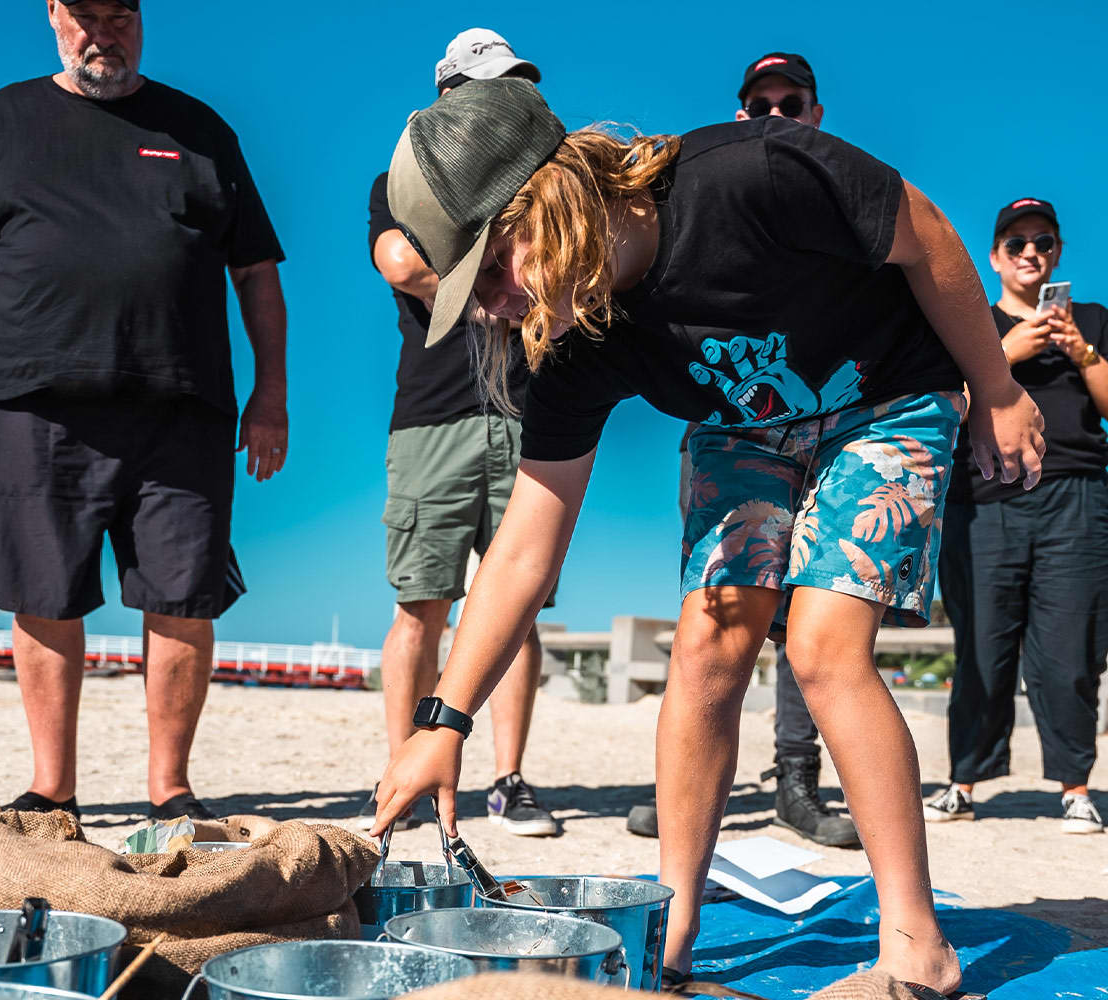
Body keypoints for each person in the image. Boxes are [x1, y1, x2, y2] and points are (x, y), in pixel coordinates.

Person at [372, 79, 1045, 994]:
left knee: (820, 646)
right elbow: (525, 548)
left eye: (493, 272)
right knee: (706, 643)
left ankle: (916, 935)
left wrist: (994, 389)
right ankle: (673, 923)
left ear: (550, 202)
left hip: (890, 396)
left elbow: (924, 234)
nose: (496, 307)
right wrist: (442, 722)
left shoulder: (755, 172)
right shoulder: (572, 346)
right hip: (742, 425)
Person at [0, 0, 286, 825]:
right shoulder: (3, 119)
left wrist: (271, 394)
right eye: (85, 15)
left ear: (141, 18)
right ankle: (54, 787)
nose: (101, 32)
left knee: (183, 597)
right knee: (43, 593)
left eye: (119, 14)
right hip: (39, 401)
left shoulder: (200, 129)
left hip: (183, 403)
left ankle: (170, 788)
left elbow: (256, 269)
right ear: (54, 15)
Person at [630, 51, 857, 850]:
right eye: (761, 102)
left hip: (835, 426)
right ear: (739, 114)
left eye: (791, 102)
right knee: (715, 610)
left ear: (816, 114)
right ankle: (691, 790)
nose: (775, 114)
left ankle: (797, 782)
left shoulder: (841, 188)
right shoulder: (718, 188)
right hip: (737, 434)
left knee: (816, 620)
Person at [358, 28, 558, 838]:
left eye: (512, 86)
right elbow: (400, 262)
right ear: (446, 96)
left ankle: (508, 779)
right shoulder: (398, 183)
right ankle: (406, 766)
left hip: (525, 415)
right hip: (433, 419)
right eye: (483, 88)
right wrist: (499, 281)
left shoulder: (542, 190)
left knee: (517, 611)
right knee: (421, 608)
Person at [923, 198, 1108, 835]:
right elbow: (942, 405)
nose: (1030, 253)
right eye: (1016, 243)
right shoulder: (971, 326)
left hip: (1075, 496)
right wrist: (1006, 352)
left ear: (1058, 253)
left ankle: (1075, 788)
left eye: (1042, 242)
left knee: (1071, 648)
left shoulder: (1094, 320)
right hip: (982, 497)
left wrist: (1083, 352)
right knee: (982, 649)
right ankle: (963, 781)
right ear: (994, 257)